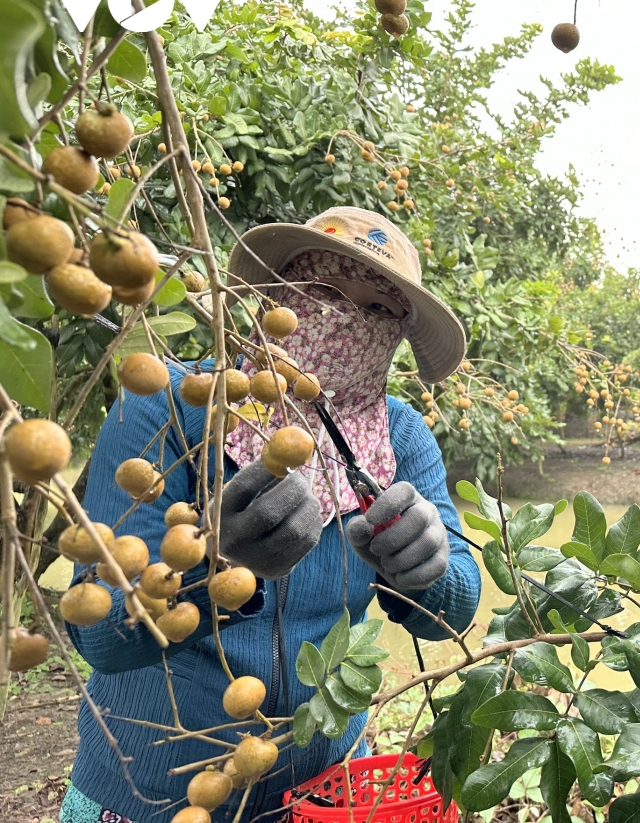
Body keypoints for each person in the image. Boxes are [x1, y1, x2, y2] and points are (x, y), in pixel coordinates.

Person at [61, 207, 481, 823]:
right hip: (150, 793)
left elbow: (455, 611)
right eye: (321, 289)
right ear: (272, 294)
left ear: (397, 335)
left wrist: (428, 570)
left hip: (321, 796)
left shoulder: (400, 437)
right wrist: (211, 569)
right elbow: (99, 636)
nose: (343, 321)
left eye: (377, 309)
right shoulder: (169, 410)